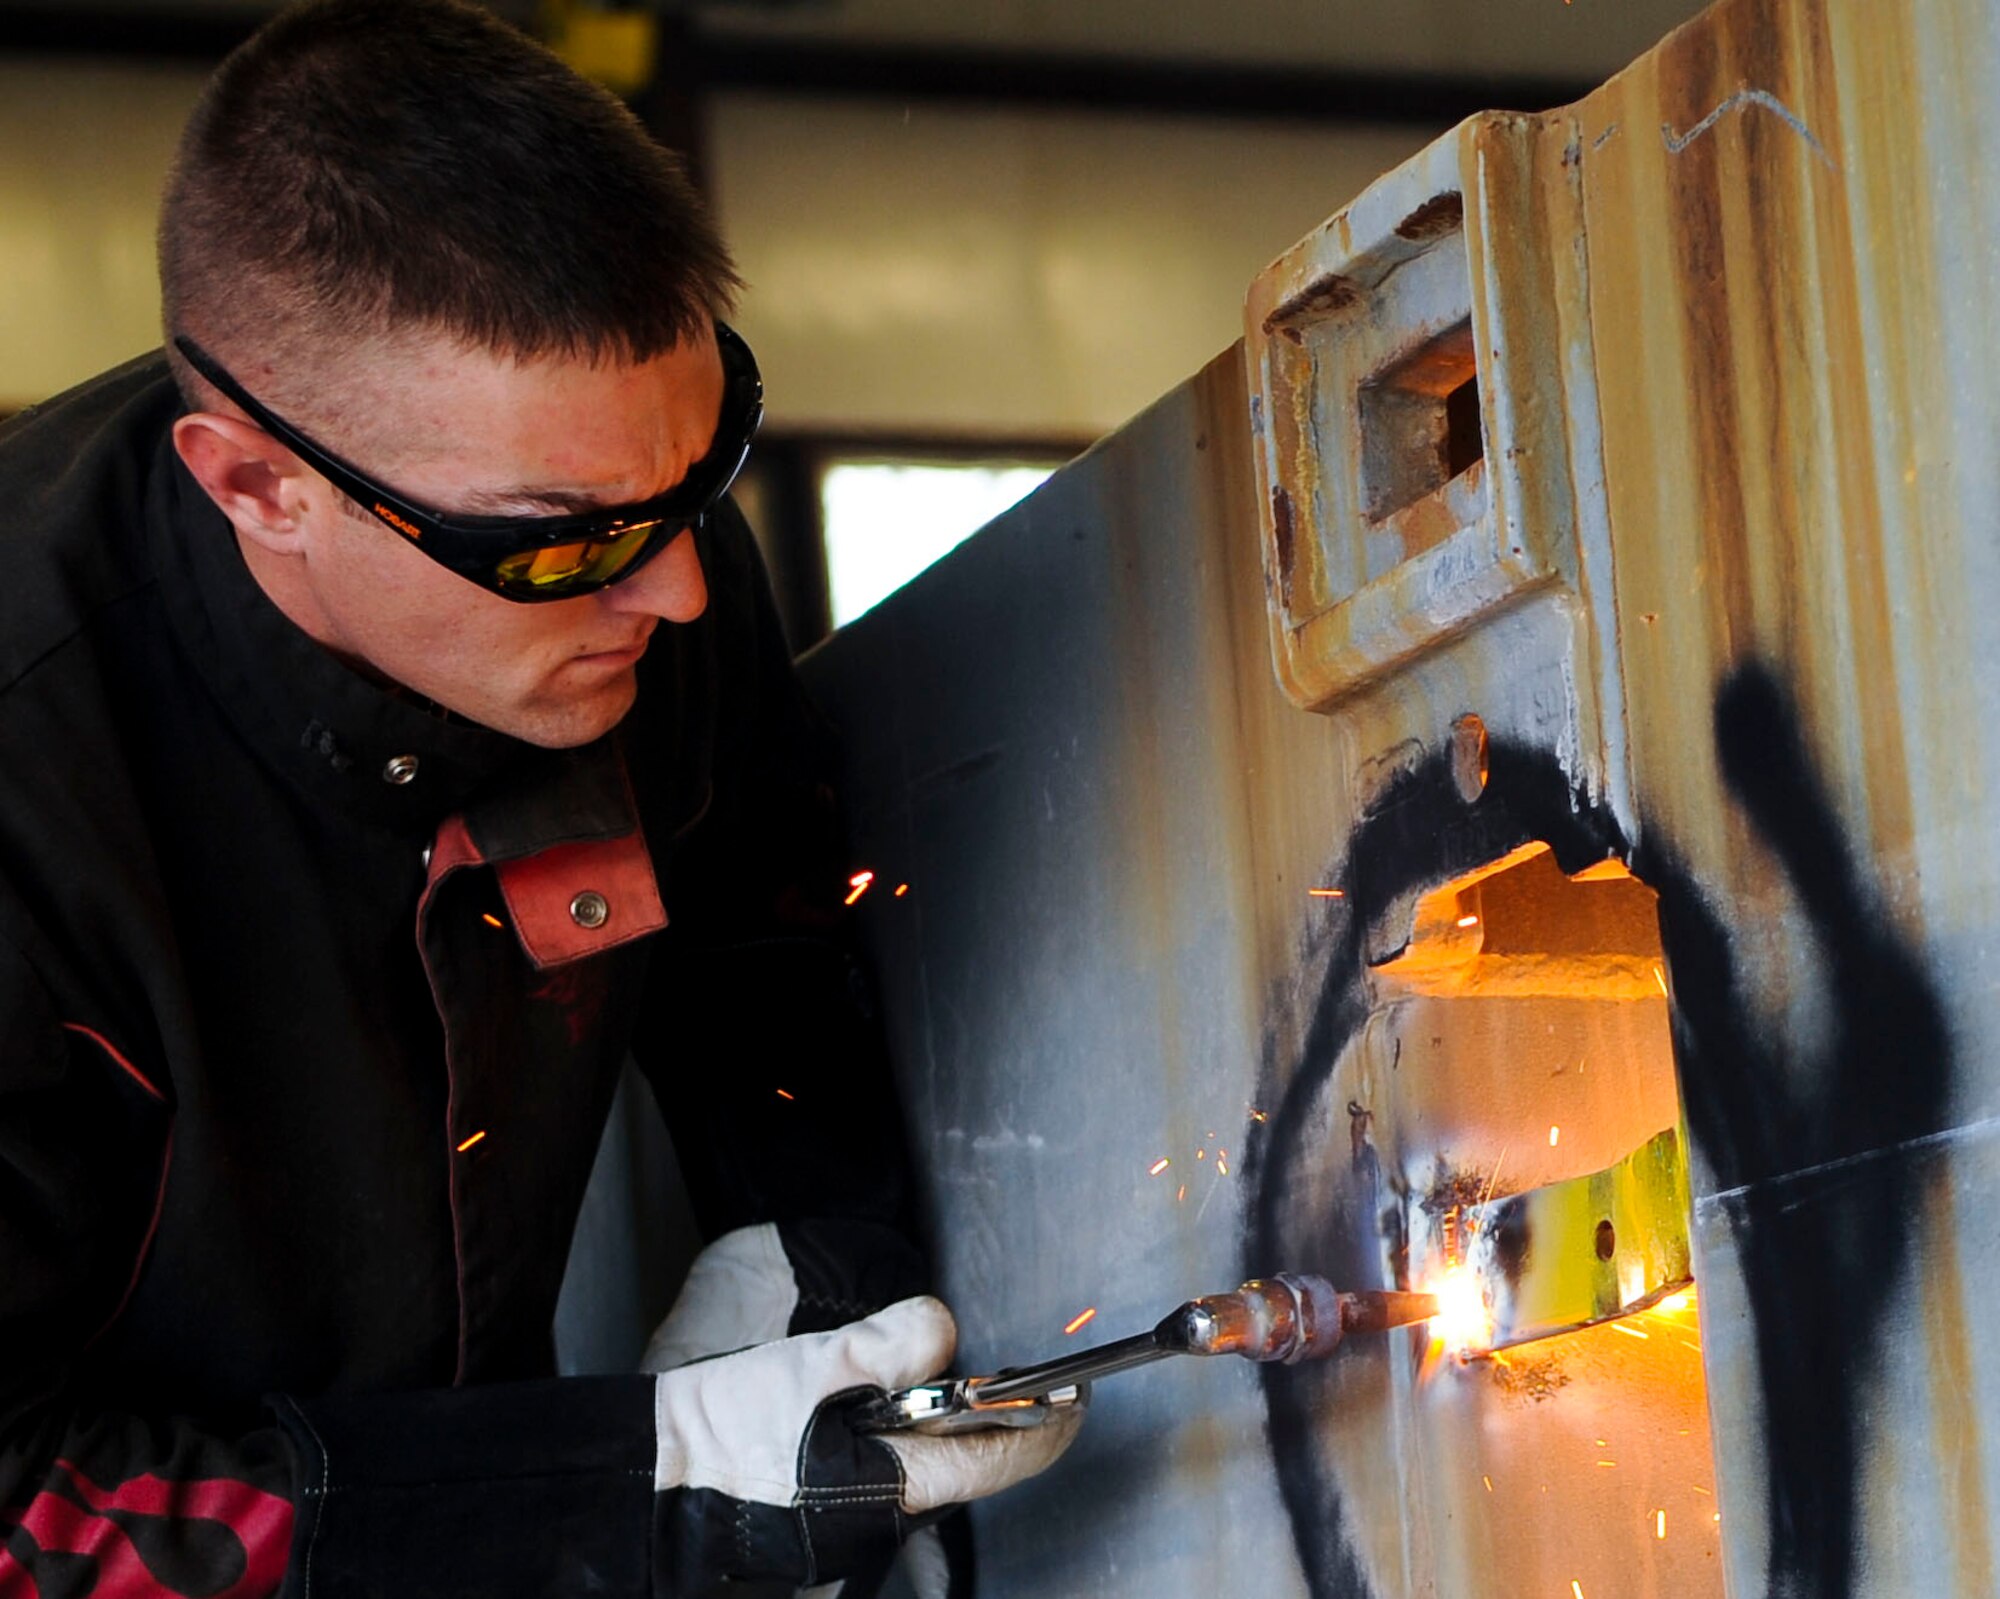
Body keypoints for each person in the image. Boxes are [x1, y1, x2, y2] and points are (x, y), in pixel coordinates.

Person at [0, 2, 1080, 1593]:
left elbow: (763, 936)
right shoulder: (37, 808)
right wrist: (623, 1496)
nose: (682, 597)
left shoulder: (628, 564)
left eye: (701, 480)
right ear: (257, 485)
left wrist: (796, 1244)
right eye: (560, 542)